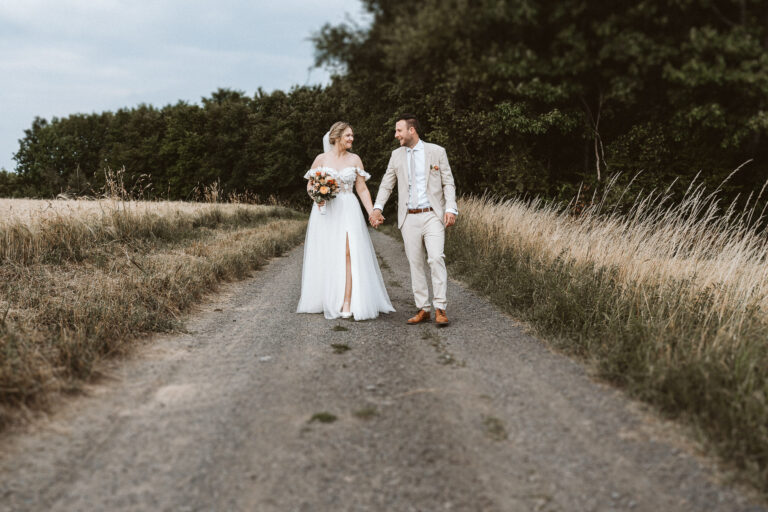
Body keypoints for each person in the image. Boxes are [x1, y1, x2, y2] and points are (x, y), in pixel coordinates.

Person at [296, 121, 395, 320]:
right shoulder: (321, 159)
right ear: (337, 137)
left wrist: (371, 212)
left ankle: (347, 301)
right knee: (329, 253)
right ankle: (328, 296)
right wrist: (317, 197)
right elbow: (310, 185)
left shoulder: (355, 159)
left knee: (349, 252)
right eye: (348, 135)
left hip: (349, 208)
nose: (352, 138)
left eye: (352, 135)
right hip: (327, 211)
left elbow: (362, 189)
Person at [369, 114, 458, 326]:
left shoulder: (436, 152)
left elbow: (448, 182)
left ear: (412, 130)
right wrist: (377, 208)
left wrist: (451, 208)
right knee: (415, 263)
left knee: (436, 258)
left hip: (432, 215)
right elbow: (386, 184)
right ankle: (423, 308)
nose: (395, 134)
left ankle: (441, 308)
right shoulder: (396, 155)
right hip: (408, 218)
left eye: (399, 130)